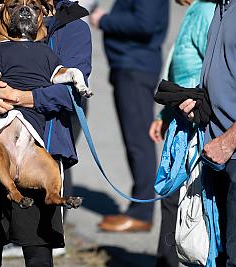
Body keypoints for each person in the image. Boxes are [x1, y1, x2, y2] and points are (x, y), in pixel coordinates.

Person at [0, 0, 91, 266]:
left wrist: (19, 97)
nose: (24, 8)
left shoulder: (72, 28)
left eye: (33, 4)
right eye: (16, 4)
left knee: (37, 249)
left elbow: (71, 93)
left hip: (40, 144)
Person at [178, 0, 236, 265]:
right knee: (217, 254)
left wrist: (230, 140)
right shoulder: (221, 6)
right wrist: (200, 105)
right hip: (217, 150)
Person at [90, 0, 169, 232]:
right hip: (130, 65)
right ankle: (138, 208)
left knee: (139, 142)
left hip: (136, 66)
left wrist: (104, 20)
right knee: (134, 140)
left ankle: (141, 213)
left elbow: (144, 24)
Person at [148, 1, 215, 266]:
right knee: (170, 197)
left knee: (184, 200)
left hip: (197, 123)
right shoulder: (196, 9)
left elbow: (214, 70)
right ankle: (166, 260)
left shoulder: (205, 12)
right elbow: (176, 64)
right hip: (180, 119)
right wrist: (164, 114)